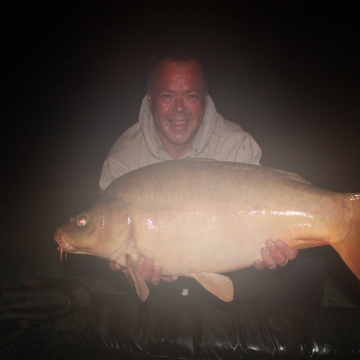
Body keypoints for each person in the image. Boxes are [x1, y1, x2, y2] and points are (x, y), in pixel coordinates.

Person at [99, 49, 325, 306]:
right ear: (150, 100)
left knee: (308, 268)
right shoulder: (123, 161)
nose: (180, 108)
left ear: (205, 100)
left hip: (237, 276)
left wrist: (278, 254)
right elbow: (118, 255)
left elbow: (268, 206)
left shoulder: (235, 145)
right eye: (167, 95)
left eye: (191, 95)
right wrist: (133, 275)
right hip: (162, 294)